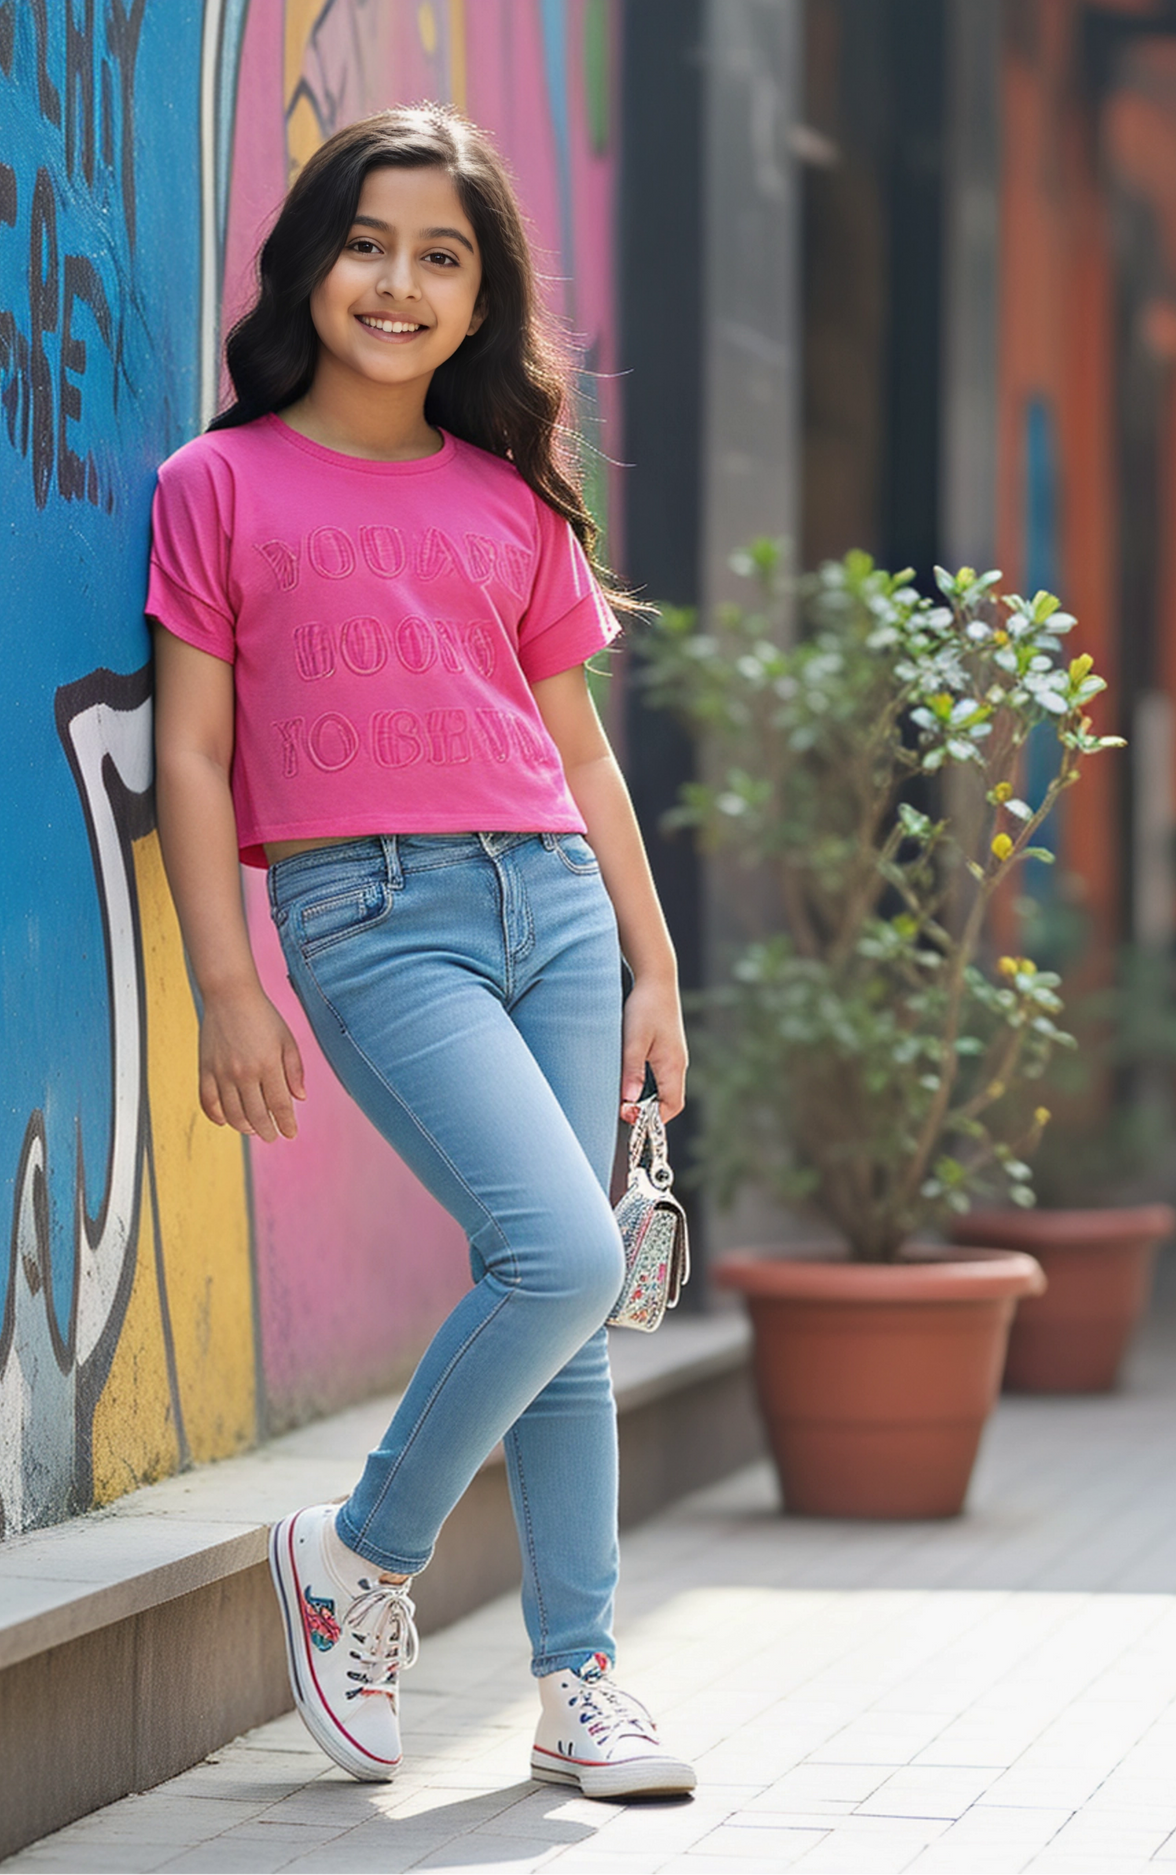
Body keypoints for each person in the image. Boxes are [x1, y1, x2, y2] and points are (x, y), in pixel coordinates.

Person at [148, 104, 693, 1800]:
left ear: (479, 301)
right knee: (560, 1256)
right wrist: (227, 978)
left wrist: (658, 967)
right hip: (368, 914)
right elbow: (183, 752)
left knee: (565, 1296)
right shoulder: (217, 483)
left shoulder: (511, 498)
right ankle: (361, 1553)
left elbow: (584, 751)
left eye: (439, 257)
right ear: (309, 263)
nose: (397, 282)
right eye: (367, 244)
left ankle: (578, 1676)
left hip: (555, 908)